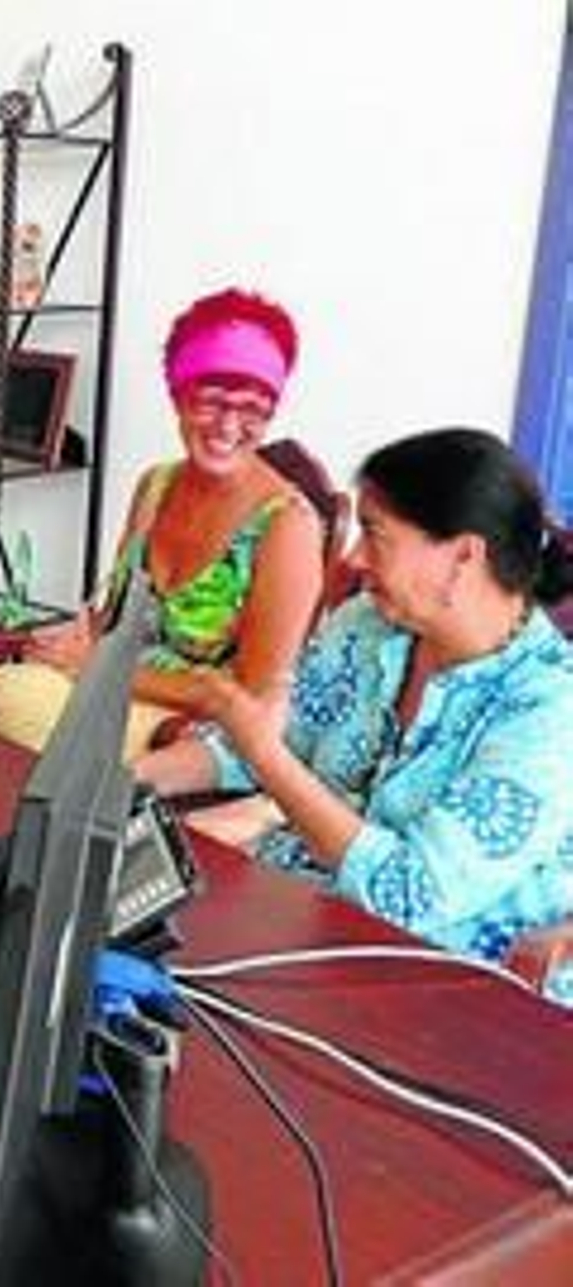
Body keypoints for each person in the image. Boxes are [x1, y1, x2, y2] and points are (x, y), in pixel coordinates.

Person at [137, 428, 573, 1000]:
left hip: (439, 993)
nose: (353, 558)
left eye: (374, 534)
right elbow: (261, 743)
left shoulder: (547, 712)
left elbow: (411, 897)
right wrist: (125, 782)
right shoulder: (370, 625)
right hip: (299, 921)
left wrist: (263, 753)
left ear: (463, 556)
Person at [0, 287, 325, 754]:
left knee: (16, 746)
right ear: (178, 396)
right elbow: (114, 623)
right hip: (110, 694)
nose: (228, 427)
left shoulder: (288, 526)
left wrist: (95, 668)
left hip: (188, 735)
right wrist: (71, 640)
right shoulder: (155, 486)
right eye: (211, 401)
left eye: (252, 410)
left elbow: (250, 699)